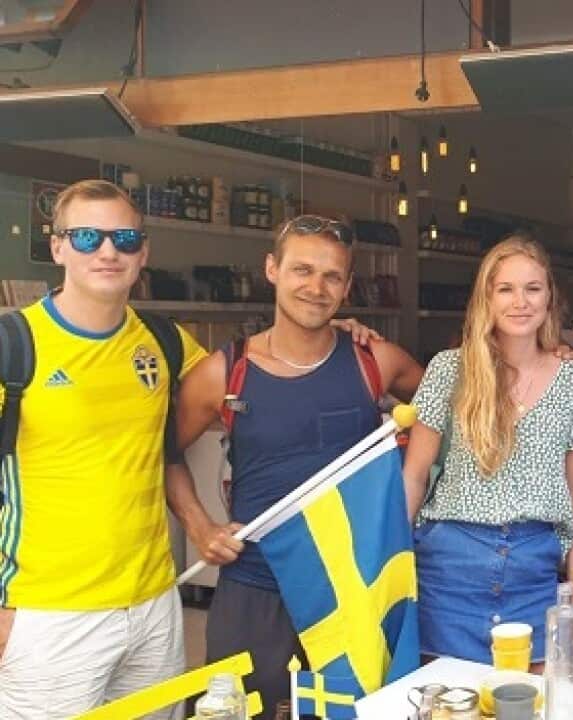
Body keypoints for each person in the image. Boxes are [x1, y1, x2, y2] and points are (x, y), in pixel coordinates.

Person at [164, 214, 424, 714]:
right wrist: (200, 527)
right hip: (255, 583)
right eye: (302, 270)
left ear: (347, 288)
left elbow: (453, 403)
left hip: (352, 587)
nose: (315, 287)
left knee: (357, 711)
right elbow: (162, 453)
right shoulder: (224, 371)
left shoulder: (375, 360)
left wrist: (544, 351)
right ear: (271, 270)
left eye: (331, 276)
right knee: (239, 712)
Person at [0, 180, 205, 718]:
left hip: (155, 601)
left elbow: (254, 374)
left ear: (144, 252)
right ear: (58, 247)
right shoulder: (12, 346)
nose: (108, 251)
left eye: (125, 237)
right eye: (87, 236)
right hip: (49, 612)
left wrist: (337, 333)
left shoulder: (165, 342)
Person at [401, 234, 573, 666]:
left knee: (533, 702)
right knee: (447, 705)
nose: (520, 301)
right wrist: (391, 568)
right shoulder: (448, 369)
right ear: (485, 298)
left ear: (549, 298)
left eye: (533, 288)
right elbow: (414, 475)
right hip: (450, 568)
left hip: (534, 571)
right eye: (505, 289)